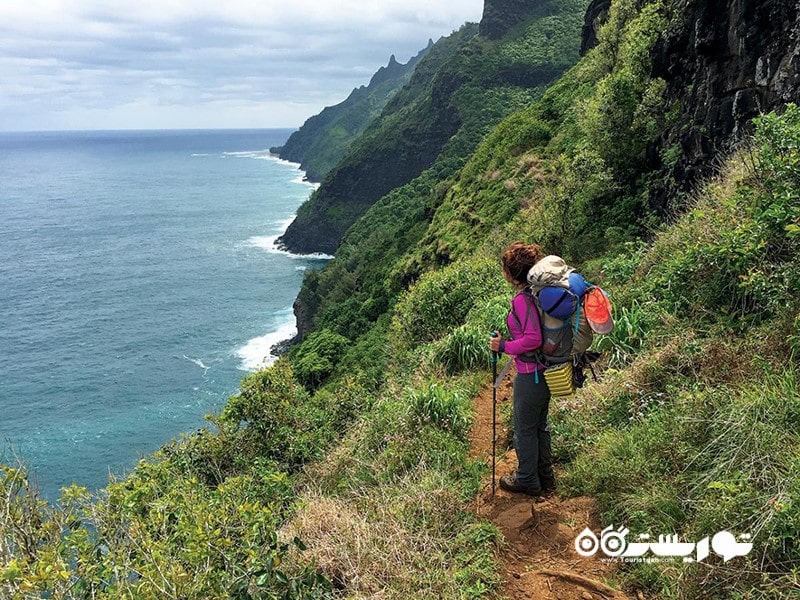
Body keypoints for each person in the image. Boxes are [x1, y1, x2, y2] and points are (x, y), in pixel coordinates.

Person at [489, 241, 555, 496]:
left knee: (525, 430)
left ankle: (527, 479)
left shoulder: (522, 300)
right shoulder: (535, 294)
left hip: (530, 376)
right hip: (543, 372)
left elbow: (533, 339)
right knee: (539, 427)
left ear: (510, 273)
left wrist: (503, 345)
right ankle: (545, 479)